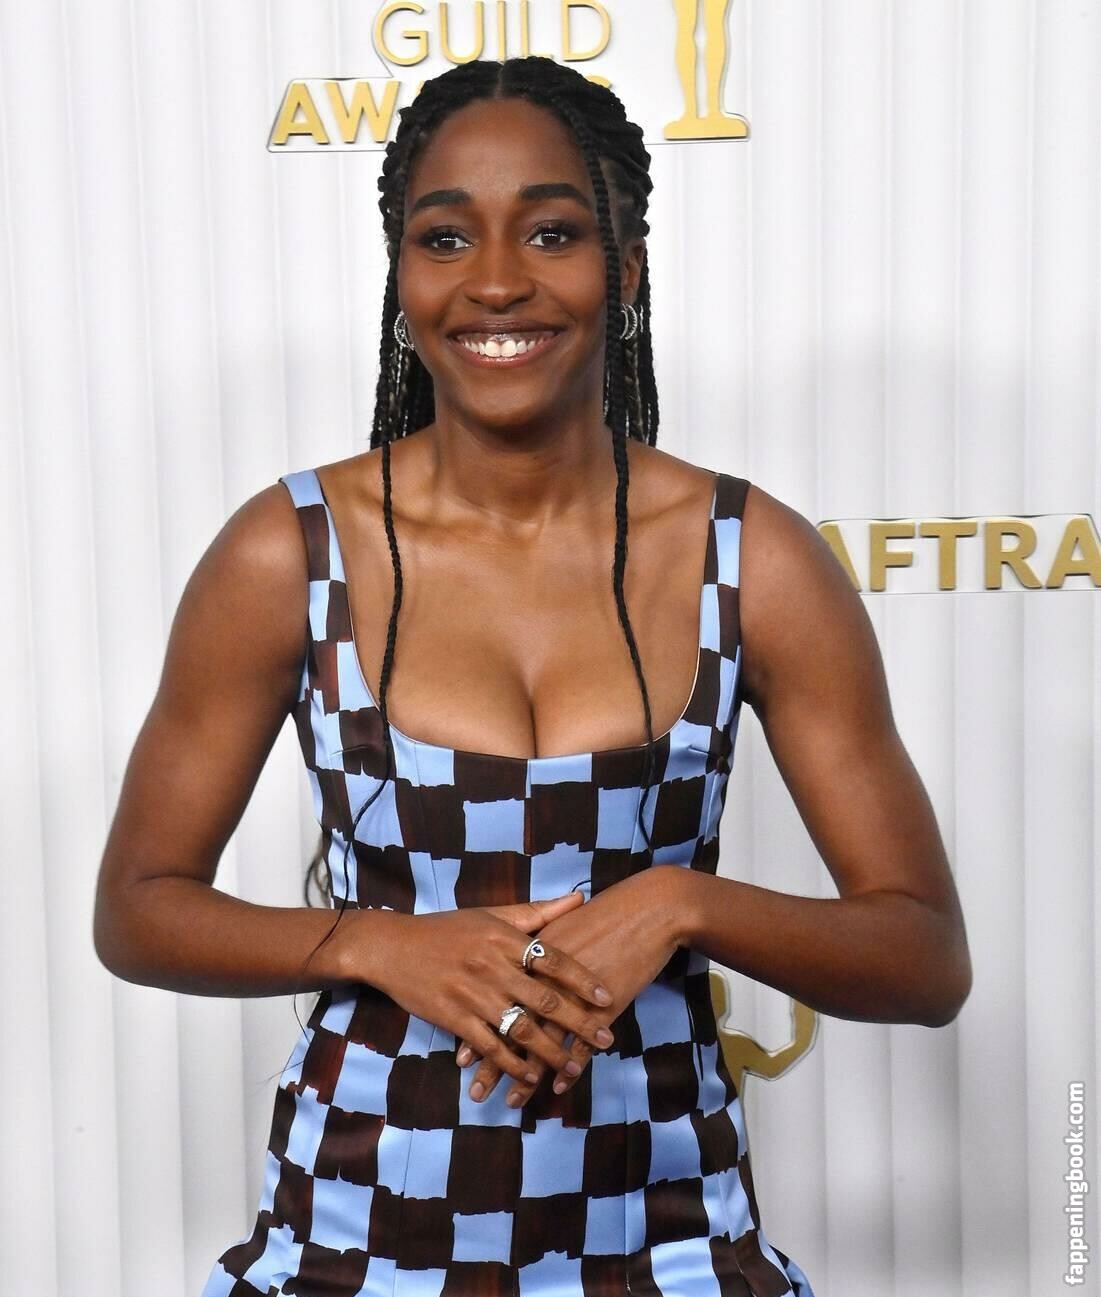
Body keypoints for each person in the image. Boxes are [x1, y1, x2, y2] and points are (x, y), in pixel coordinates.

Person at [93, 55, 971, 1297]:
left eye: (552, 232)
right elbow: (138, 906)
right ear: (401, 273)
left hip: (669, 1245)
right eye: (445, 238)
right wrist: (378, 945)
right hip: (358, 1241)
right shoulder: (288, 552)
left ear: (627, 267)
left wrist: (680, 904)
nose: (497, 280)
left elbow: (925, 956)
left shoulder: (750, 558)